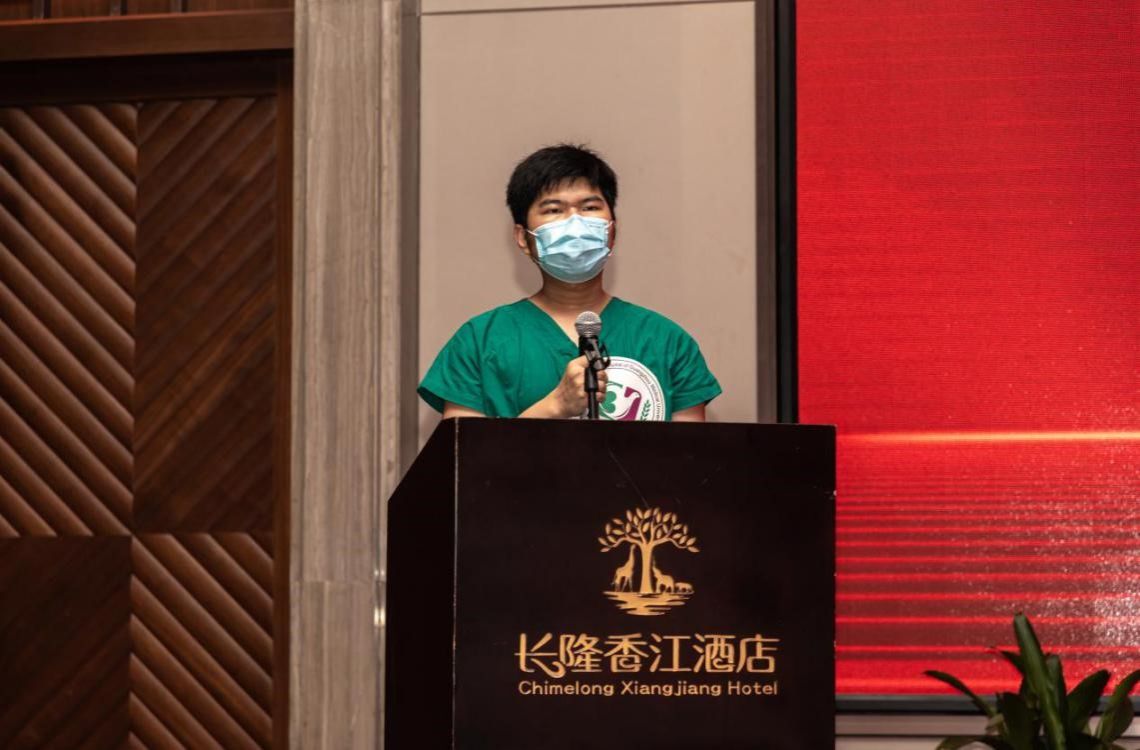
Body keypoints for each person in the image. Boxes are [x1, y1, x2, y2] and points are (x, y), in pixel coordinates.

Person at [418, 144, 721, 421]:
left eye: (589, 207)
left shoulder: (667, 342)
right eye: (554, 210)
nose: (575, 222)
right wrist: (555, 406)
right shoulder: (479, 342)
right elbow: (464, 456)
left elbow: (692, 457)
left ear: (612, 230)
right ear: (523, 238)